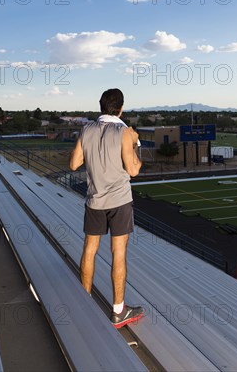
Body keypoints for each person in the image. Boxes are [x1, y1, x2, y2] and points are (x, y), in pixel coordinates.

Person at [70, 88, 144, 328]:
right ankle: (118, 311)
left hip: (94, 200)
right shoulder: (123, 132)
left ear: (101, 106)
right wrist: (134, 143)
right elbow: (133, 170)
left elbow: (73, 164)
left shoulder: (87, 129)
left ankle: (84, 303)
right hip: (120, 202)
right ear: (120, 108)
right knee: (118, 253)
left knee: (89, 250)